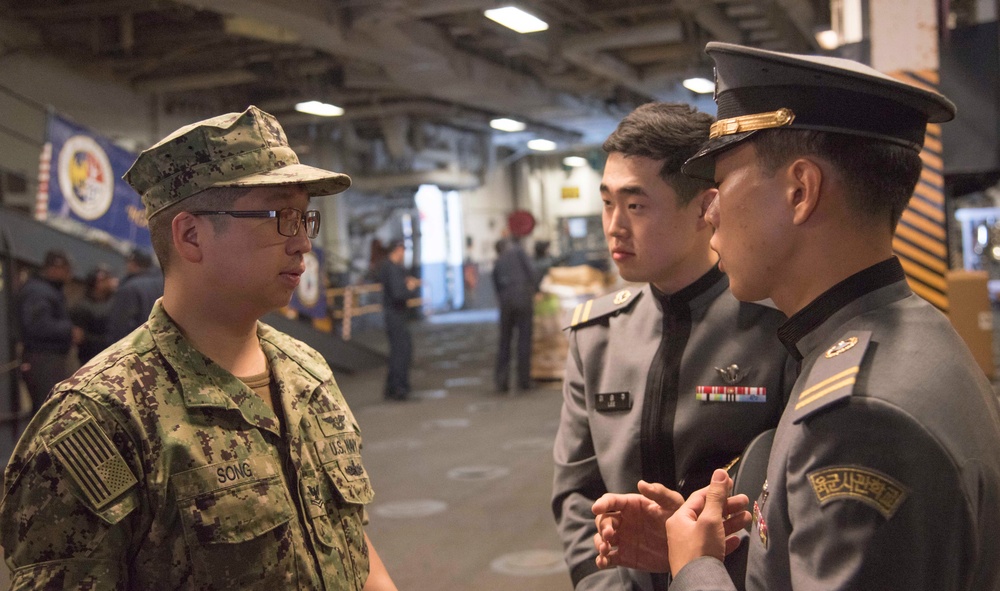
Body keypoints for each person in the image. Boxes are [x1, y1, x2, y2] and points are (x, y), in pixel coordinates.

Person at [595, 43, 1000, 591]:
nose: (710, 213)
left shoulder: (861, 417)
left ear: (800, 191)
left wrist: (695, 568)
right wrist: (705, 550)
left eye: (724, 180)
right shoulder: (902, 335)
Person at [0, 106, 397, 590]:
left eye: (304, 218)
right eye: (280, 217)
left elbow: (346, 539)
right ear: (190, 235)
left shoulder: (307, 372)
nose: (302, 244)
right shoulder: (100, 420)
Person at [552, 101, 796, 591]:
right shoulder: (597, 337)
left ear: (706, 208)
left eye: (636, 205)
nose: (615, 225)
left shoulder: (777, 331)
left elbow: (790, 504)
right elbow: (576, 494)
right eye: (607, 202)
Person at [17, 249, 83, 412]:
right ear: (54, 269)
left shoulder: (49, 290)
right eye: (66, 270)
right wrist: (69, 331)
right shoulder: (39, 291)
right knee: (48, 410)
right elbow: (38, 325)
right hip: (42, 360)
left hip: (49, 359)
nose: (69, 275)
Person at [492, 235, 537, 392]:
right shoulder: (519, 253)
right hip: (523, 300)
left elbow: (496, 285)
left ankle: (501, 381)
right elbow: (532, 272)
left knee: (504, 341)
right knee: (523, 341)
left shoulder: (498, 262)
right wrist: (534, 291)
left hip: (506, 303)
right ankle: (523, 381)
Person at [378, 239, 419, 401]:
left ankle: (391, 387)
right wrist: (409, 288)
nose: (404, 253)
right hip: (395, 315)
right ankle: (399, 388)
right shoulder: (392, 269)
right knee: (401, 351)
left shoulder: (392, 268)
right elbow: (398, 294)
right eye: (402, 250)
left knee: (399, 350)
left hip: (396, 314)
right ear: (397, 250)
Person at [105, 247, 164, 342]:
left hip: (132, 348)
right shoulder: (165, 283)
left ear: (132, 264)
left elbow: (119, 328)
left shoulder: (130, 288)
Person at [69, 265, 117, 364]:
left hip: (112, 356)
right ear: (97, 283)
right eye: (106, 279)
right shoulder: (83, 307)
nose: (111, 281)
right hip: (90, 359)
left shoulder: (115, 303)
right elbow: (79, 337)